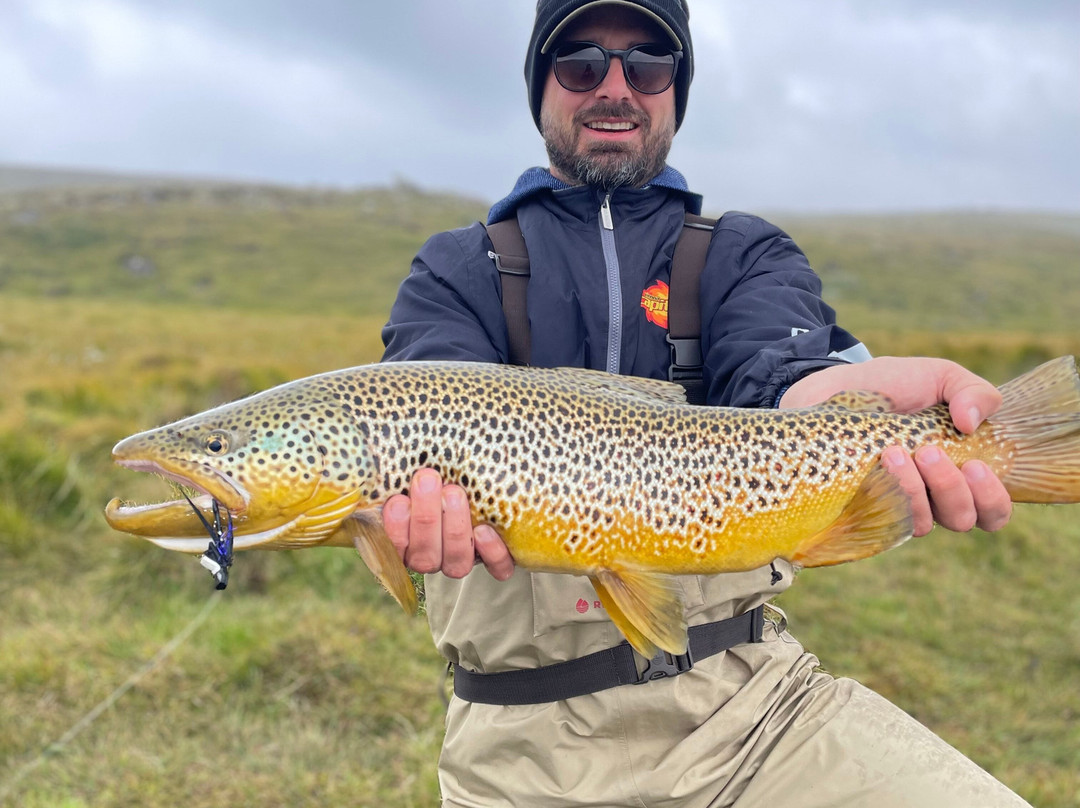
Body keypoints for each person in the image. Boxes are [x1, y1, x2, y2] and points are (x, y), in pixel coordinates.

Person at [380, 1, 1028, 805]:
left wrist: (833, 394)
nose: (615, 87)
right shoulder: (456, 270)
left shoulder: (744, 253)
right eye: (581, 64)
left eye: (648, 65)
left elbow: (781, 374)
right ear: (539, 88)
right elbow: (422, 407)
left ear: (675, 91)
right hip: (521, 745)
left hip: (752, 712)